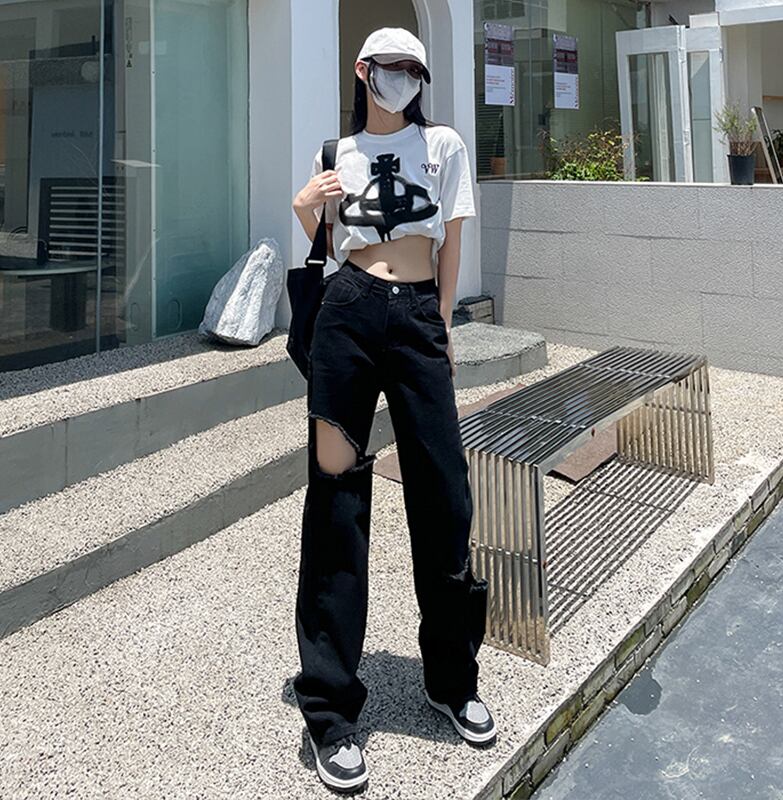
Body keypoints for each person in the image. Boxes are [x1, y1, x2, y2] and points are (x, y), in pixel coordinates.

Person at [291, 26, 496, 793]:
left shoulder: (443, 145)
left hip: (415, 318)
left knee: (444, 497)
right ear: (363, 71)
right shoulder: (334, 153)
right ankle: (330, 709)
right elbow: (327, 242)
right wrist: (304, 209)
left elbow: (451, 241)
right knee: (335, 500)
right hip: (346, 313)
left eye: (414, 69)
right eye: (391, 67)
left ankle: (451, 679)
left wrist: (441, 324)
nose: (403, 78)